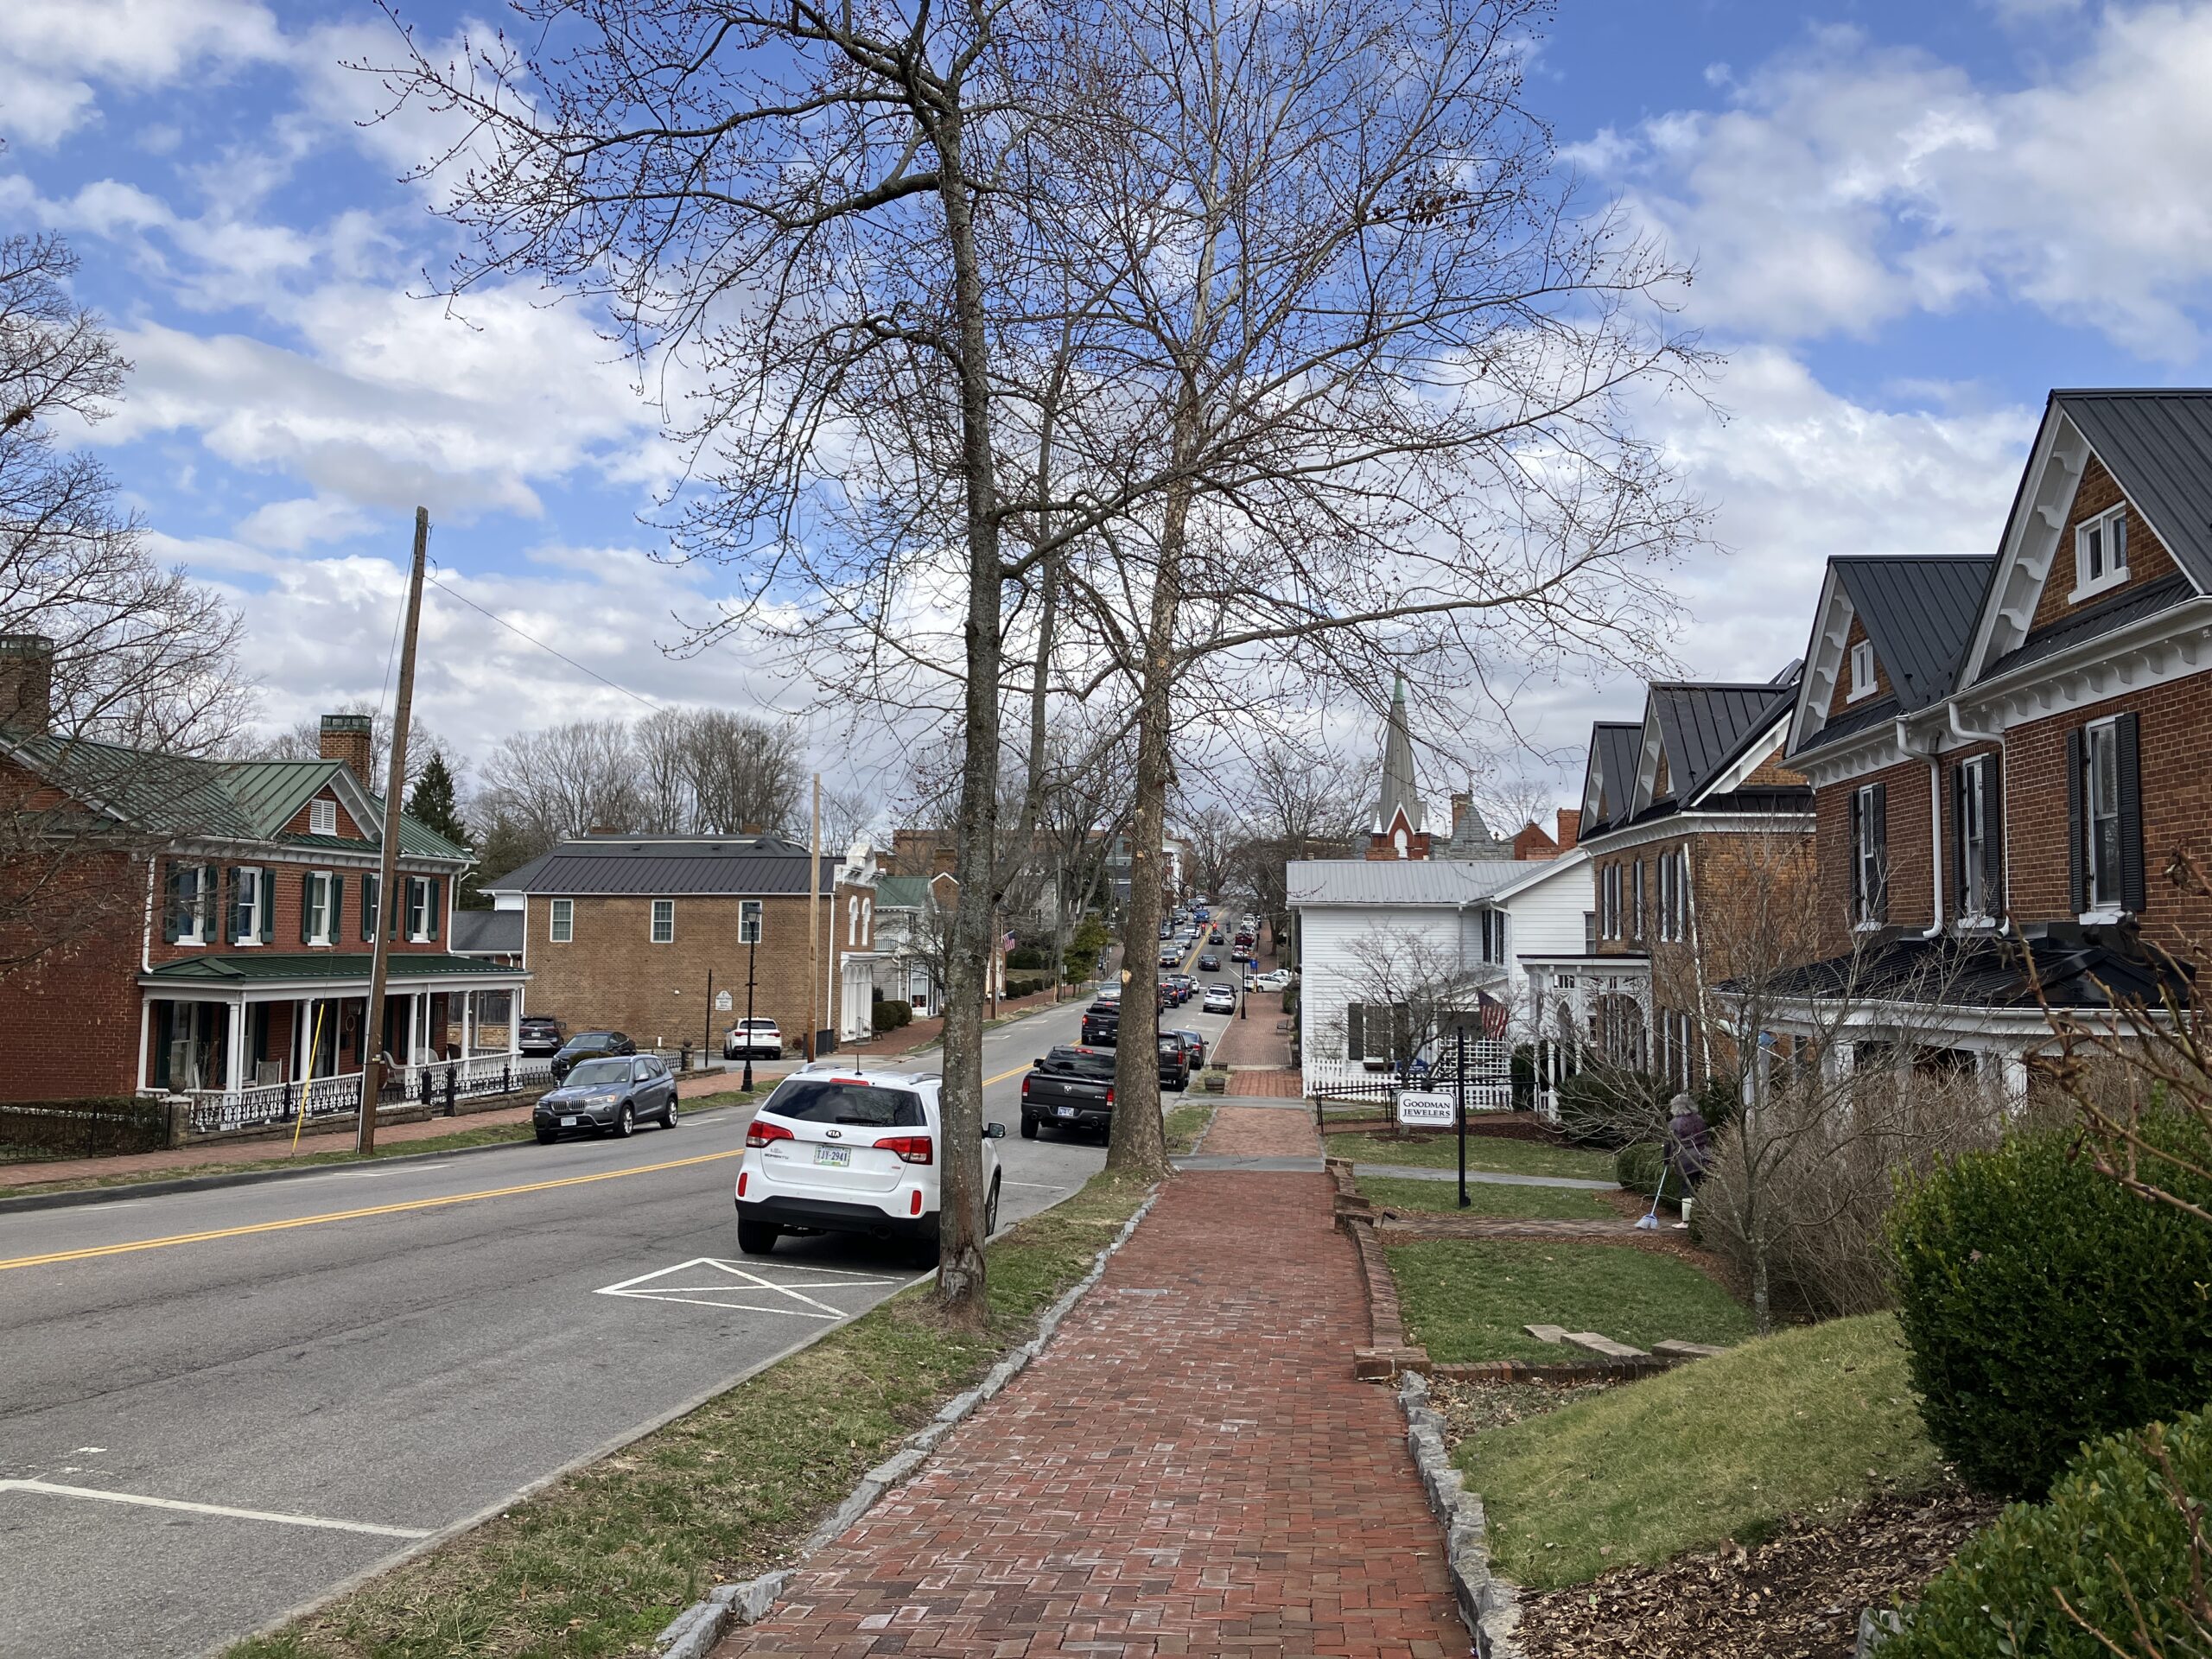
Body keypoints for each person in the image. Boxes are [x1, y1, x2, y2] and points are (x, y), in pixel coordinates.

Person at [1665, 1092, 1713, 1189]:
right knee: (1702, 1188)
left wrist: (1666, 1160)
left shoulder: (1674, 1123)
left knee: (1687, 1190)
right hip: (1703, 1157)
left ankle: (1689, 1199)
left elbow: (1668, 1143)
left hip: (1686, 1160)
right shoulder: (1699, 1119)